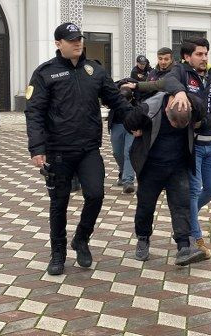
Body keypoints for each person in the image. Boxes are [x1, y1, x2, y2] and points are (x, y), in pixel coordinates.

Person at [25, 22, 132, 276]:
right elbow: (34, 113)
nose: (77, 43)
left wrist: (137, 120)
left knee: (95, 195)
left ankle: (81, 238)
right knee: (58, 203)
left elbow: (116, 100)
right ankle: (58, 253)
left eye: (79, 39)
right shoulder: (45, 73)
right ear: (58, 43)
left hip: (88, 149)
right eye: (71, 39)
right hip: (58, 151)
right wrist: (37, 148)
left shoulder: (93, 70)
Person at [123, 90, 210, 266]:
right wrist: (134, 129)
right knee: (145, 206)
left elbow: (203, 110)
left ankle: (184, 246)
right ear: (167, 112)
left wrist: (186, 96)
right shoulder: (149, 108)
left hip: (178, 166)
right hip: (150, 167)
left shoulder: (190, 106)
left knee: (181, 205)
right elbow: (128, 120)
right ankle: (143, 239)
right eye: (173, 123)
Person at [165, 36, 211, 258]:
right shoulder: (181, 73)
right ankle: (196, 237)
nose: (204, 58)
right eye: (199, 54)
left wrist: (205, 122)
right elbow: (168, 82)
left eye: (205, 53)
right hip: (191, 146)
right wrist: (181, 92)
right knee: (193, 192)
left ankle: (187, 216)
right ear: (187, 56)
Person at [109, 79, 137, 194]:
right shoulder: (115, 94)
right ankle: (123, 171)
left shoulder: (137, 97)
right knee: (117, 152)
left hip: (132, 127)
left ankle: (128, 181)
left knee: (129, 152)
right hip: (116, 124)